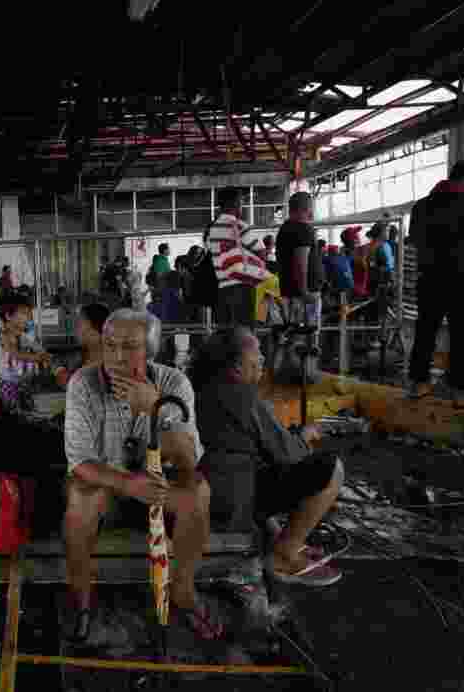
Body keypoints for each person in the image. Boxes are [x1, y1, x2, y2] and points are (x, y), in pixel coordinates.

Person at [63, 309, 212, 643]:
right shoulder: (83, 383)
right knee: (81, 495)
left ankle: (184, 592)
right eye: (109, 344)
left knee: (197, 492)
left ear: (151, 351)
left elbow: (190, 461)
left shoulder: (174, 382)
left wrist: (156, 407)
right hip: (109, 489)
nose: (115, 357)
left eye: (129, 347)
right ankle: (81, 603)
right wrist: (128, 483)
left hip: (157, 488)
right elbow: (79, 461)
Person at [191, 327, 343, 586]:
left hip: (207, 495)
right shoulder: (242, 395)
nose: (262, 357)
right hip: (229, 504)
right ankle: (285, 554)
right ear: (236, 367)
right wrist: (305, 436)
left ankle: (278, 538)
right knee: (331, 469)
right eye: (257, 351)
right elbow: (288, 455)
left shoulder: (199, 388)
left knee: (257, 465)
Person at [407, 158, 464, 408]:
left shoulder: (421, 206)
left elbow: (414, 238)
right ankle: (459, 390)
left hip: (429, 277)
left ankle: (418, 384)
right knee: (463, 335)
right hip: (462, 279)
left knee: (425, 331)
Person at [207, 188, 269, 326]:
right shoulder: (239, 226)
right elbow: (262, 254)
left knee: (229, 337)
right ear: (234, 203)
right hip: (243, 289)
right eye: (241, 201)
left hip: (222, 290)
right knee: (246, 335)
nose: (243, 205)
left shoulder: (213, 229)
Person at [0, 290, 51, 411]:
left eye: (29, 313)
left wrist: (43, 353)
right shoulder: (5, 335)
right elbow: (15, 354)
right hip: (8, 384)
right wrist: (36, 358)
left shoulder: (22, 335)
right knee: (12, 413)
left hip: (22, 382)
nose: (29, 317)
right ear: (8, 316)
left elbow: (35, 346)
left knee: (27, 410)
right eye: (24, 313)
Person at [275, 191, 325, 326]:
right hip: (304, 294)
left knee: (293, 332)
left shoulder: (284, 229)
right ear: (307, 208)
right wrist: (305, 292)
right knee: (306, 335)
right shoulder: (303, 229)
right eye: (311, 208)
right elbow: (300, 262)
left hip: (290, 291)